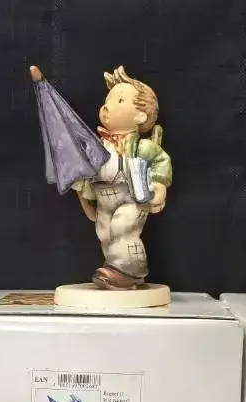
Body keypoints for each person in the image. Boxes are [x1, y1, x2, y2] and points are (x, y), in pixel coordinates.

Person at [72, 67, 172, 291]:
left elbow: (160, 162)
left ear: (140, 116)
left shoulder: (142, 147)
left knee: (123, 226)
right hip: (103, 198)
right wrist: (85, 200)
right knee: (104, 231)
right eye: (107, 100)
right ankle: (114, 270)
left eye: (118, 101)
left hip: (131, 198)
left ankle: (131, 270)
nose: (107, 106)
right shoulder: (98, 147)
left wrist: (158, 187)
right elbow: (85, 174)